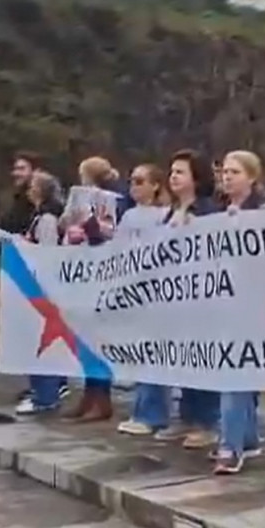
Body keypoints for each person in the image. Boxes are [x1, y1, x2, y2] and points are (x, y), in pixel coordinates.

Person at [0, 171, 69, 415]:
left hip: (41, 288)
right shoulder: (39, 217)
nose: (28, 189)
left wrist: (7, 238)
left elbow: (45, 252)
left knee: (41, 344)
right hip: (37, 286)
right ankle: (43, 394)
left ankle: (45, 396)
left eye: (33, 185)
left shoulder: (46, 219)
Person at [212, 150, 265, 475]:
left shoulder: (264, 213)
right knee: (239, 372)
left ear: (252, 177)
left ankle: (229, 445)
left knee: (234, 370)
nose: (228, 177)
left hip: (253, 304)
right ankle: (246, 438)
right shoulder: (219, 214)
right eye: (225, 171)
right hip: (224, 302)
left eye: (235, 172)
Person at [158, 149, 222, 449]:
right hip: (175, 296)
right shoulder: (172, 211)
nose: (173, 177)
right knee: (183, 359)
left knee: (202, 359)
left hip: (201, 296)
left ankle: (207, 421)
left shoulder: (206, 210)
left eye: (180, 171)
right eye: (171, 171)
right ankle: (186, 416)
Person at [59, 155, 128, 423]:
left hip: (101, 274)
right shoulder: (80, 198)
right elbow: (66, 225)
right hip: (80, 270)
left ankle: (102, 398)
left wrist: (89, 221)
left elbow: (106, 236)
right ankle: (89, 395)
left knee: (99, 339)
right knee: (84, 338)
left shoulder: (114, 202)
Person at [115, 164, 175, 436]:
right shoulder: (128, 215)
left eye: (140, 181)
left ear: (156, 185)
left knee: (153, 352)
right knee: (139, 350)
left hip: (158, 290)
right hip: (134, 288)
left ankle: (152, 413)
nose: (134, 186)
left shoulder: (165, 215)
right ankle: (142, 409)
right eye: (132, 181)